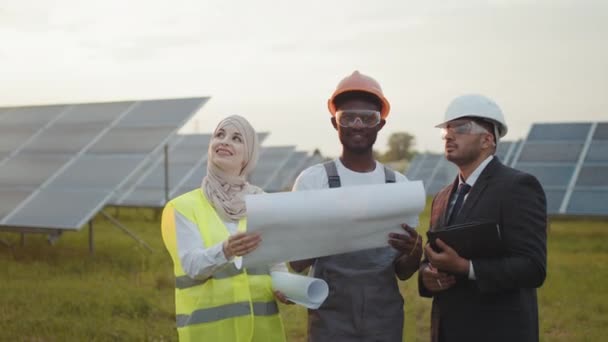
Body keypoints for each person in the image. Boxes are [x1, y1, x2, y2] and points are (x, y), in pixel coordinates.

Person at [290, 71, 423, 341]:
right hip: (330, 321)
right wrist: (324, 235)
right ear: (334, 123)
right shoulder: (313, 182)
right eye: (348, 117)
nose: (358, 124)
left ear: (381, 124)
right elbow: (296, 263)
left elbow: (403, 272)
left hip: (383, 320)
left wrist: (414, 253)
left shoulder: (399, 186)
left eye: (368, 118)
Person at [418, 94, 547, 342]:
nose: (448, 135)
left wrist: (466, 268)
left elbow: (533, 267)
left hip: (498, 331)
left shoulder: (518, 187)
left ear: (487, 139)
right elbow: (431, 259)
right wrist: (427, 276)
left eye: (461, 128)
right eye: (446, 129)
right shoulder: (442, 197)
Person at [161, 115, 289, 342]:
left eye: (236, 138)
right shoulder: (182, 207)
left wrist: (285, 287)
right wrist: (226, 250)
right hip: (209, 335)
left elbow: (276, 264)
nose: (225, 141)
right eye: (219, 135)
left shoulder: (263, 202)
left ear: (247, 155)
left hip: (262, 334)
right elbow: (192, 265)